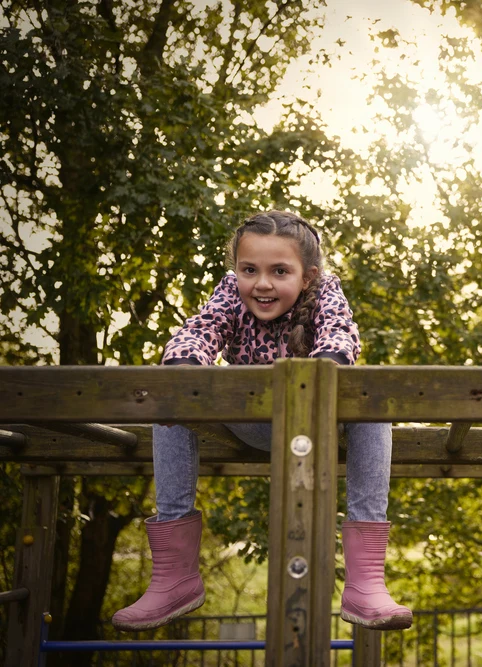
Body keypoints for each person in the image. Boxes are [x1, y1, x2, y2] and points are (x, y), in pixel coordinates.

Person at [112, 211, 411, 632]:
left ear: (306, 277)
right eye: (249, 269)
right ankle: (174, 578)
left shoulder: (326, 291)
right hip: (252, 423)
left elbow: (340, 334)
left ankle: (365, 583)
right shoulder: (230, 295)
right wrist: (186, 365)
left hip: (321, 421)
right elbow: (200, 329)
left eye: (279, 271)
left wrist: (322, 372)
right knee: (172, 397)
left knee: (375, 403)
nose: (262, 283)